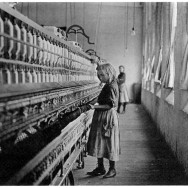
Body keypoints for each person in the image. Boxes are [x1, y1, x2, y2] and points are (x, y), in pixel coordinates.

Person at [87, 63, 120, 178]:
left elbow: (109, 105)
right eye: (98, 75)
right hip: (102, 116)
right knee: (100, 141)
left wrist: (94, 107)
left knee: (109, 142)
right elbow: (102, 97)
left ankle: (112, 169)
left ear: (109, 74)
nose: (99, 78)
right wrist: (92, 101)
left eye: (101, 75)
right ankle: (100, 167)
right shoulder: (108, 84)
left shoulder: (111, 86)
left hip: (107, 117)